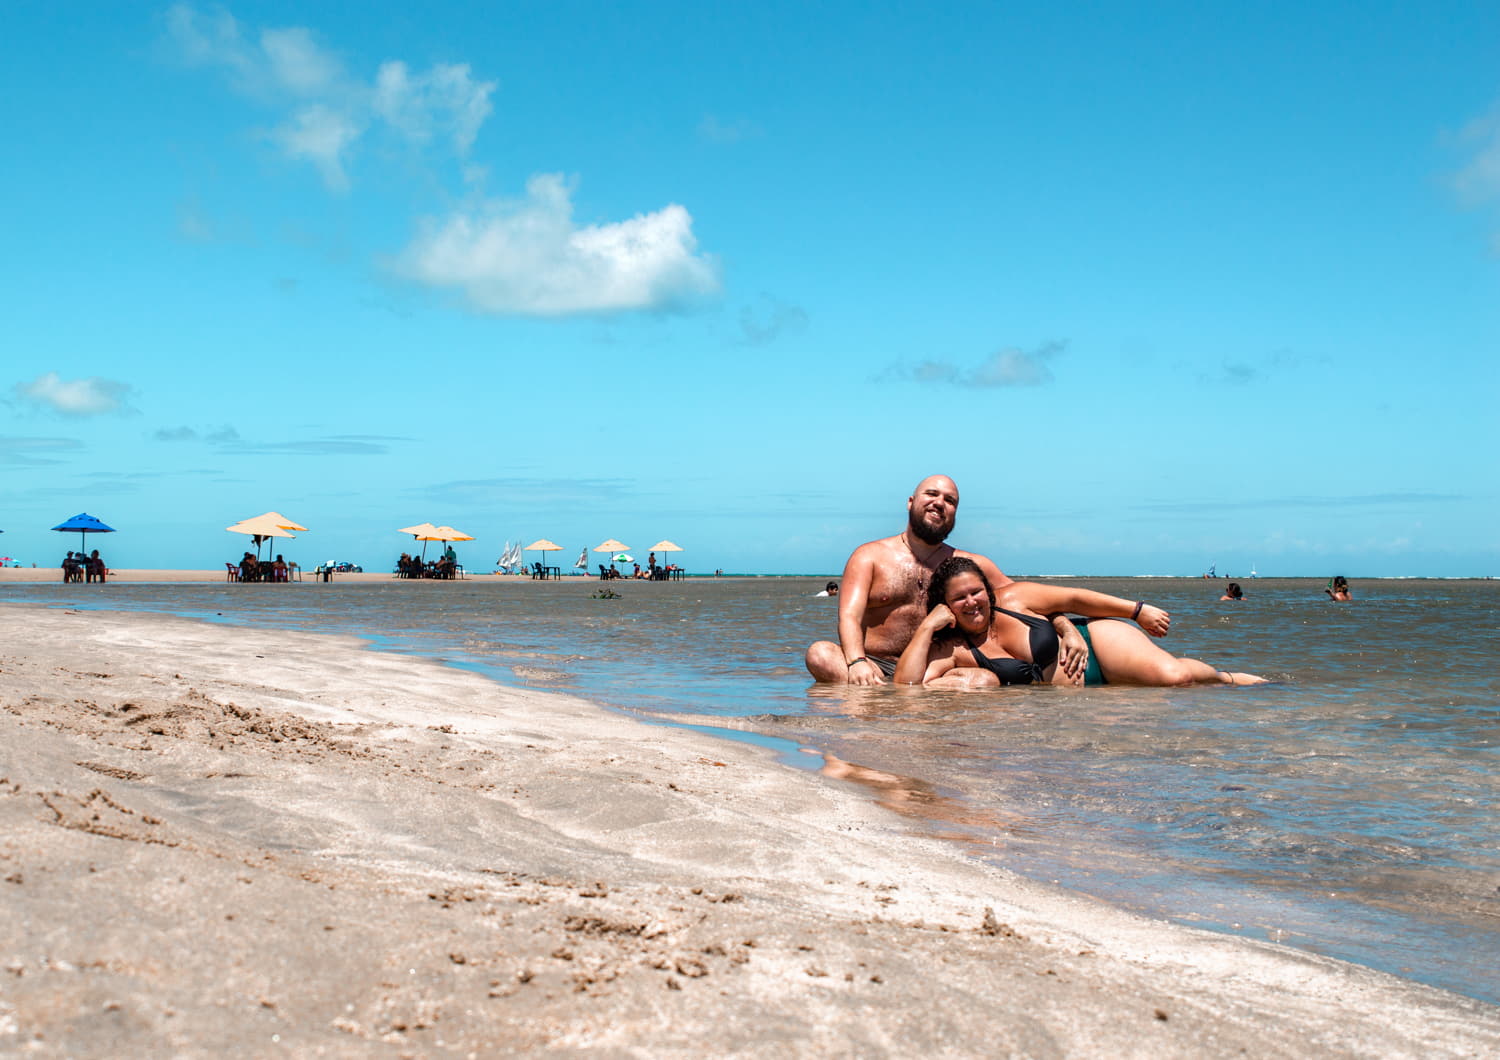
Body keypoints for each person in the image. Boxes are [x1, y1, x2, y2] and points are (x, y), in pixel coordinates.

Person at [805, 475, 1086, 685]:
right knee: (820, 654)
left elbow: (1025, 602)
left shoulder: (968, 566)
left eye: (950, 500)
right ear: (911, 502)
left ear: (954, 514)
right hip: (875, 664)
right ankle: (881, 704)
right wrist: (856, 662)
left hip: (935, 668)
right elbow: (849, 617)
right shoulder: (869, 556)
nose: (940, 502)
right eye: (932, 494)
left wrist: (1067, 629)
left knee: (984, 681)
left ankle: (910, 708)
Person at [896, 557, 1265, 688]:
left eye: (976, 592)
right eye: (959, 598)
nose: (971, 602)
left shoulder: (1013, 598)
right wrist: (928, 628)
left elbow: (1073, 598)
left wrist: (1136, 610)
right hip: (1087, 692)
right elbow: (907, 685)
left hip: (1099, 646)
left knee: (1176, 678)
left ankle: (1227, 679)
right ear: (944, 605)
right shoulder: (955, 650)